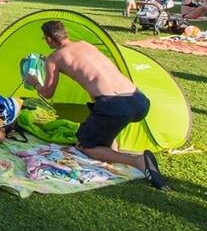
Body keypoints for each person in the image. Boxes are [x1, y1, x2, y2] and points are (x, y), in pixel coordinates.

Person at [25, 20, 169, 190]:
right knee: (107, 121)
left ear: (49, 39)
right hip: (138, 100)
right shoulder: (85, 45)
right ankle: (112, 151)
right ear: (65, 33)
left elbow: (47, 93)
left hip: (112, 105)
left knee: (86, 147)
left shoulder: (55, 58)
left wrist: (34, 82)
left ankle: (138, 162)